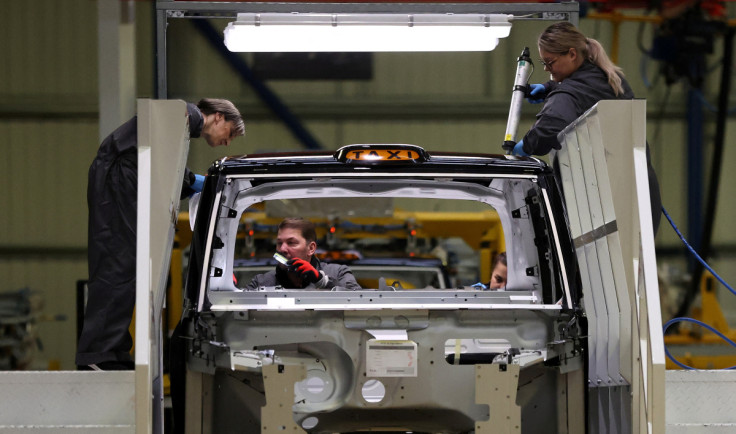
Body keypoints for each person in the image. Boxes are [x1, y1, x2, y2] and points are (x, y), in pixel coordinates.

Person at [76, 98, 245, 371]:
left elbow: (163, 162)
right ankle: (98, 354)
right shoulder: (184, 116)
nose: (228, 143)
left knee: (126, 268)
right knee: (117, 265)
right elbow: (159, 160)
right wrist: (194, 182)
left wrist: (190, 182)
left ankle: (112, 350)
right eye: (231, 134)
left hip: (122, 181)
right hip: (120, 182)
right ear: (218, 117)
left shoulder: (182, 123)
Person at [514, 22, 661, 234]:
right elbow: (584, 89)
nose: (547, 69)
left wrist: (524, 146)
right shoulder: (609, 76)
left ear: (572, 54)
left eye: (550, 62)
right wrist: (548, 87)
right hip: (640, 192)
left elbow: (548, 129)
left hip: (613, 202)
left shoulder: (570, 93)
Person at [245, 218, 361, 291]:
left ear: (311, 248)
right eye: (279, 243)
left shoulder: (338, 273)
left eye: (291, 243)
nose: (282, 249)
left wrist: (322, 281)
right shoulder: (262, 282)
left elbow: (359, 301)